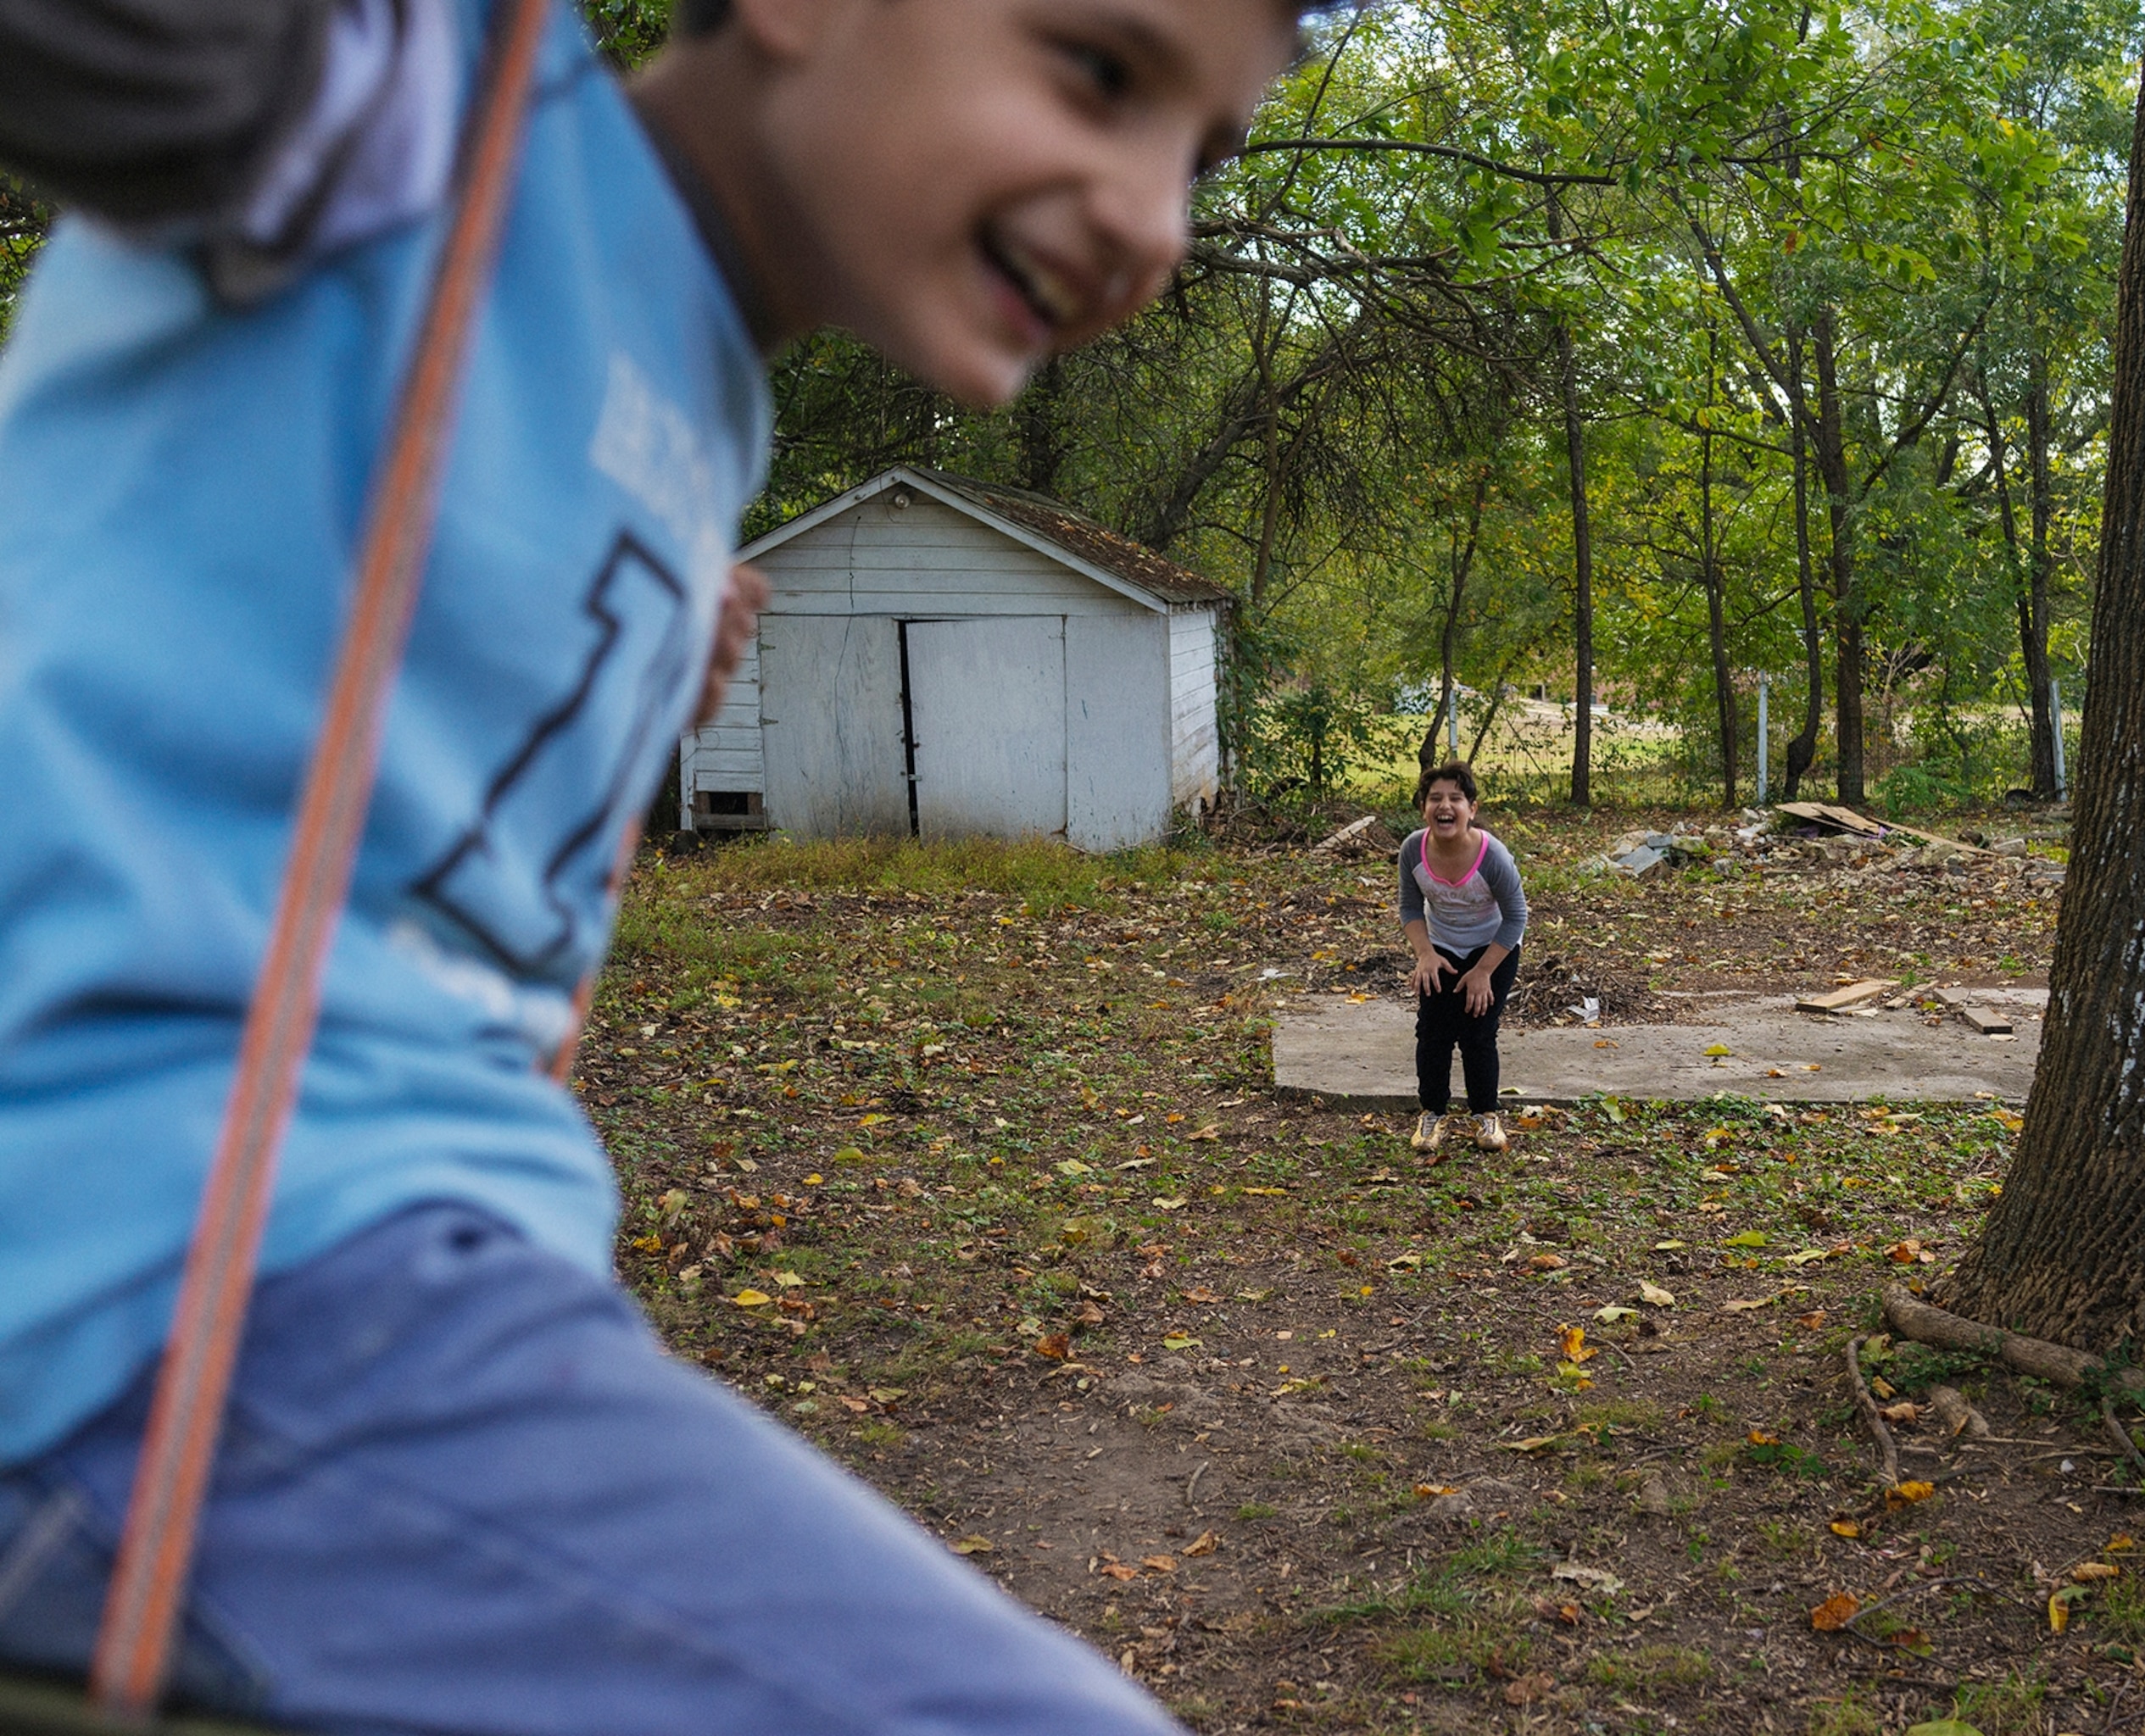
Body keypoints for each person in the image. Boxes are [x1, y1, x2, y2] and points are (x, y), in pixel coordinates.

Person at [0, 0, 1306, 1729]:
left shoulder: (692, 396)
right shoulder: (403, 117)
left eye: (1199, 155)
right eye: (1099, 73)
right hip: (147, 1287)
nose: (1155, 217)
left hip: (442, 1274)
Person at [1397, 761, 1529, 1155]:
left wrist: (1484, 971)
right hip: (1440, 948)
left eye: (1456, 798)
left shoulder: (1493, 856)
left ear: (1472, 808)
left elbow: (1517, 915)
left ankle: (1486, 1115)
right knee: (1433, 1033)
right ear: (1424, 807)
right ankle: (1432, 1114)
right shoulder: (1412, 850)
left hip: (1494, 946)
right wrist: (1425, 955)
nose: (1445, 806)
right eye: (1435, 798)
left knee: (1477, 1032)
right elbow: (1409, 907)